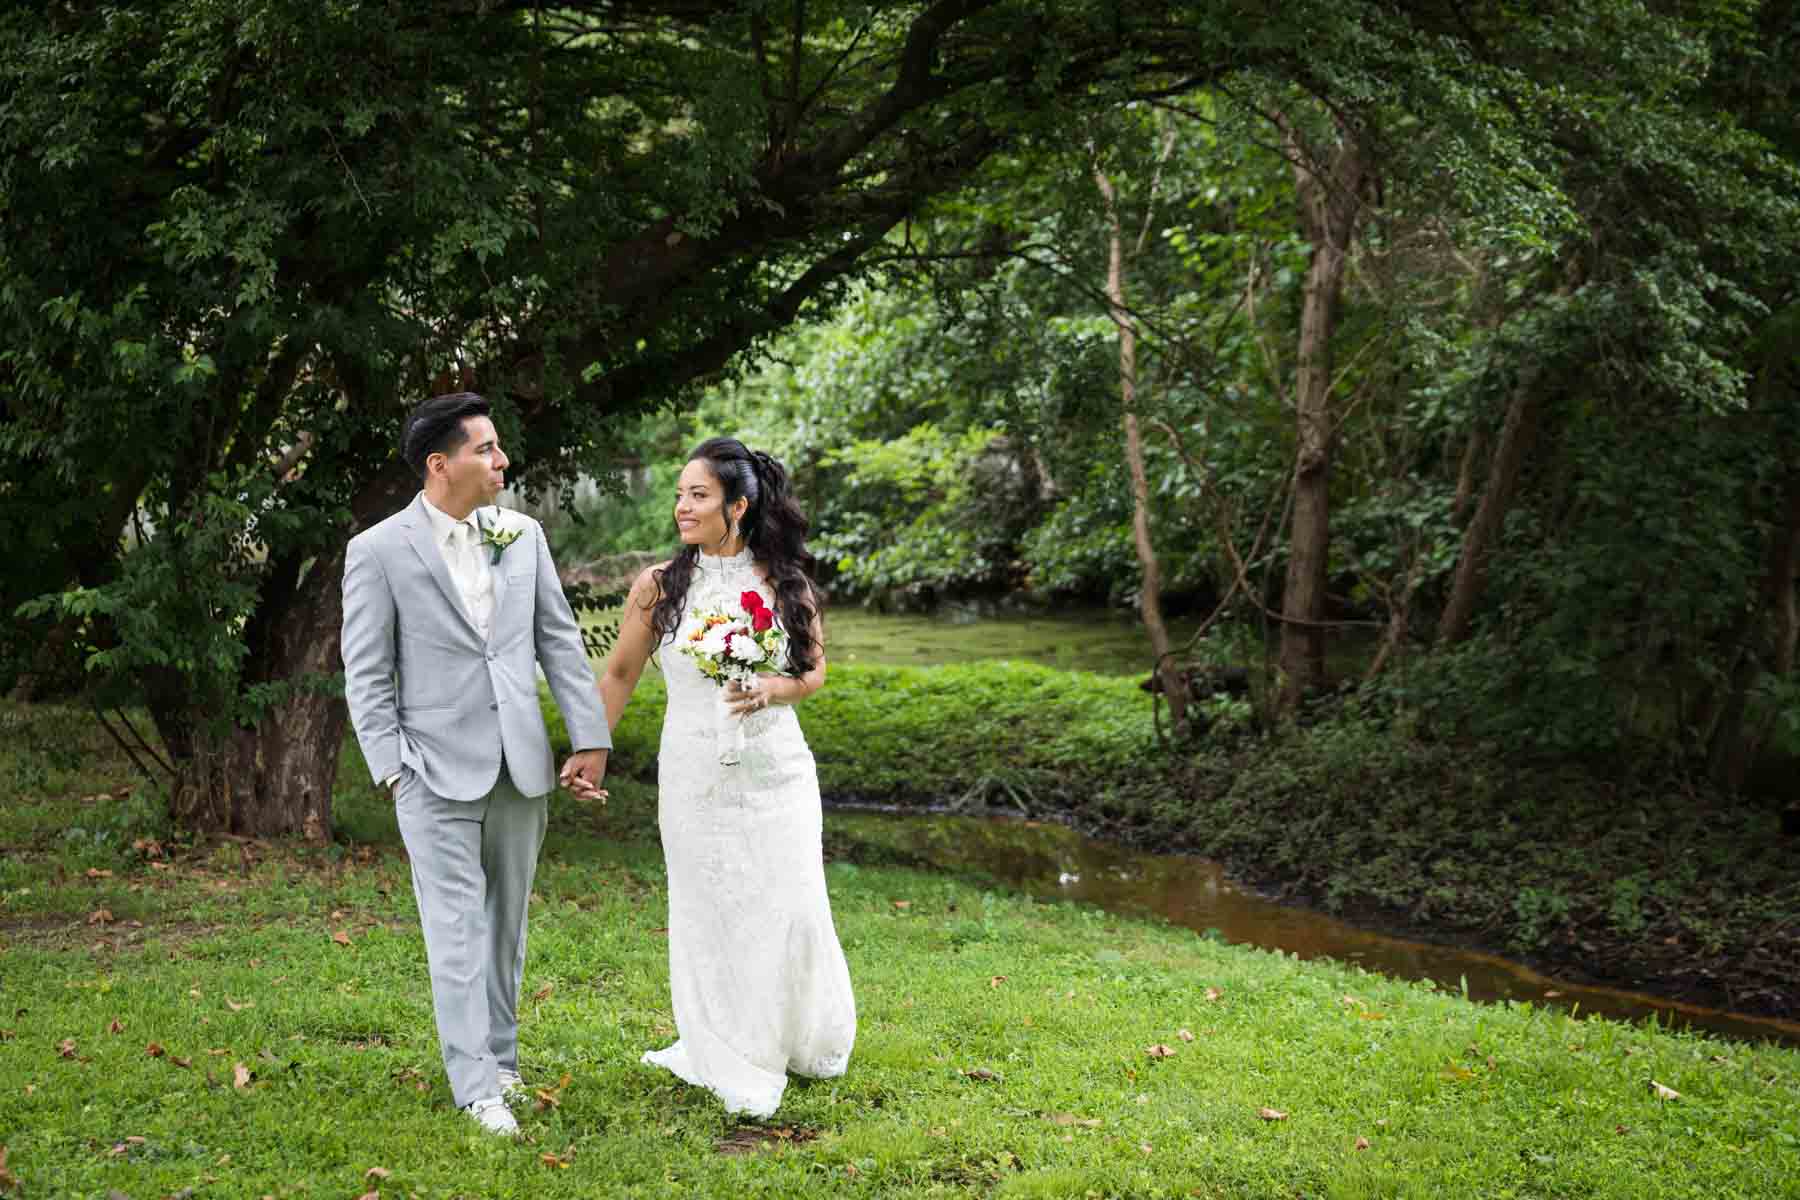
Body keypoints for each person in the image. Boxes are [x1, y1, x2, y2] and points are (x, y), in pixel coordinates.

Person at [340, 392, 612, 1136]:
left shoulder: (521, 535)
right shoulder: (378, 551)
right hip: (430, 771)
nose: (502, 461)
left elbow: (557, 640)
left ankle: (505, 1062)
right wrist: (393, 769)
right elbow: (365, 673)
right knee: (456, 928)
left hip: (520, 766)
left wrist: (589, 736)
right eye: (486, 449)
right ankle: (475, 1089)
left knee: (505, 926)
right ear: (441, 464)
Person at [573, 436, 855, 1117]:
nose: (681, 507)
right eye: (679, 494)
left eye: (697, 495)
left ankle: (788, 1037)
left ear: (740, 504)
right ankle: (725, 1047)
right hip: (695, 771)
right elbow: (618, 673)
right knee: (710, 908)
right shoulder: (659, 587)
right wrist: (592, 747)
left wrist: (774, 689)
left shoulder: (785, 583)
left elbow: (813, 673)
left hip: (777, 771)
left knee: (785, 904)